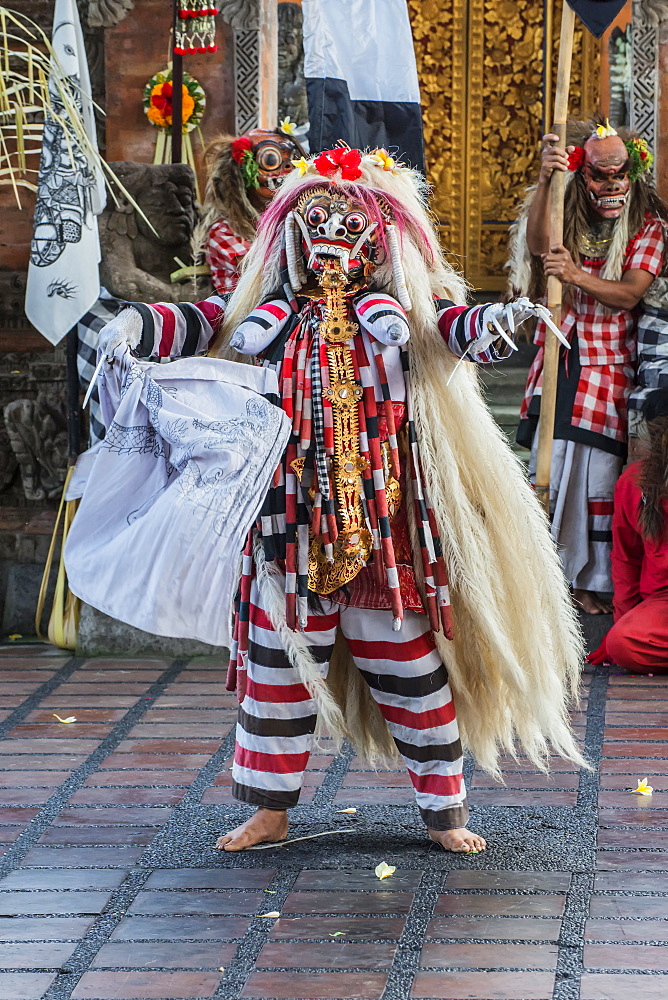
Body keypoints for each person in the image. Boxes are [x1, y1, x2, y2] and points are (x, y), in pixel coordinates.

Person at [95, 147, 584, 854]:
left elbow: (457, 329)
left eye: (350, 223)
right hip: (284, 519)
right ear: (291, 233)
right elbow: (204, 320)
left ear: (381, 238)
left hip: (382, 521)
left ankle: (445, 811)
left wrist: (504, 323)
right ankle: (269, 809)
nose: (331, 234)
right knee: (276, 666)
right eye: (316, 218)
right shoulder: (268, 316)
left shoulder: (402, 316)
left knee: (406, 663)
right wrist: (139, 326)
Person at [510, 117, 668, 615]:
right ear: (582, 175)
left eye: (621, 174)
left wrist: (575, 274)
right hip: (558, 359)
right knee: (550, 473)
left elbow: (629, 294)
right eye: (601, 176)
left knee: (597, 482)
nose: (613, 185)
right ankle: (546, 581)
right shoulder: (564, 207)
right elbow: (538, 245)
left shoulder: (649, 226)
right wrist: (543, 180)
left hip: (609, 367)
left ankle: (591, 582)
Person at [588, 389, 668, 673]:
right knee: (624, 642)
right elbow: (626, 560)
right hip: (661, 604)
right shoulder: (633, 482)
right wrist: (623, 623)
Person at [193, 123, 306, 295]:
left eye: (292, 159)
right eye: (271, 160)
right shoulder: (225, 232)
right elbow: (269, 280)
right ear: (241, 171)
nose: (287, 168)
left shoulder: (298, 218)